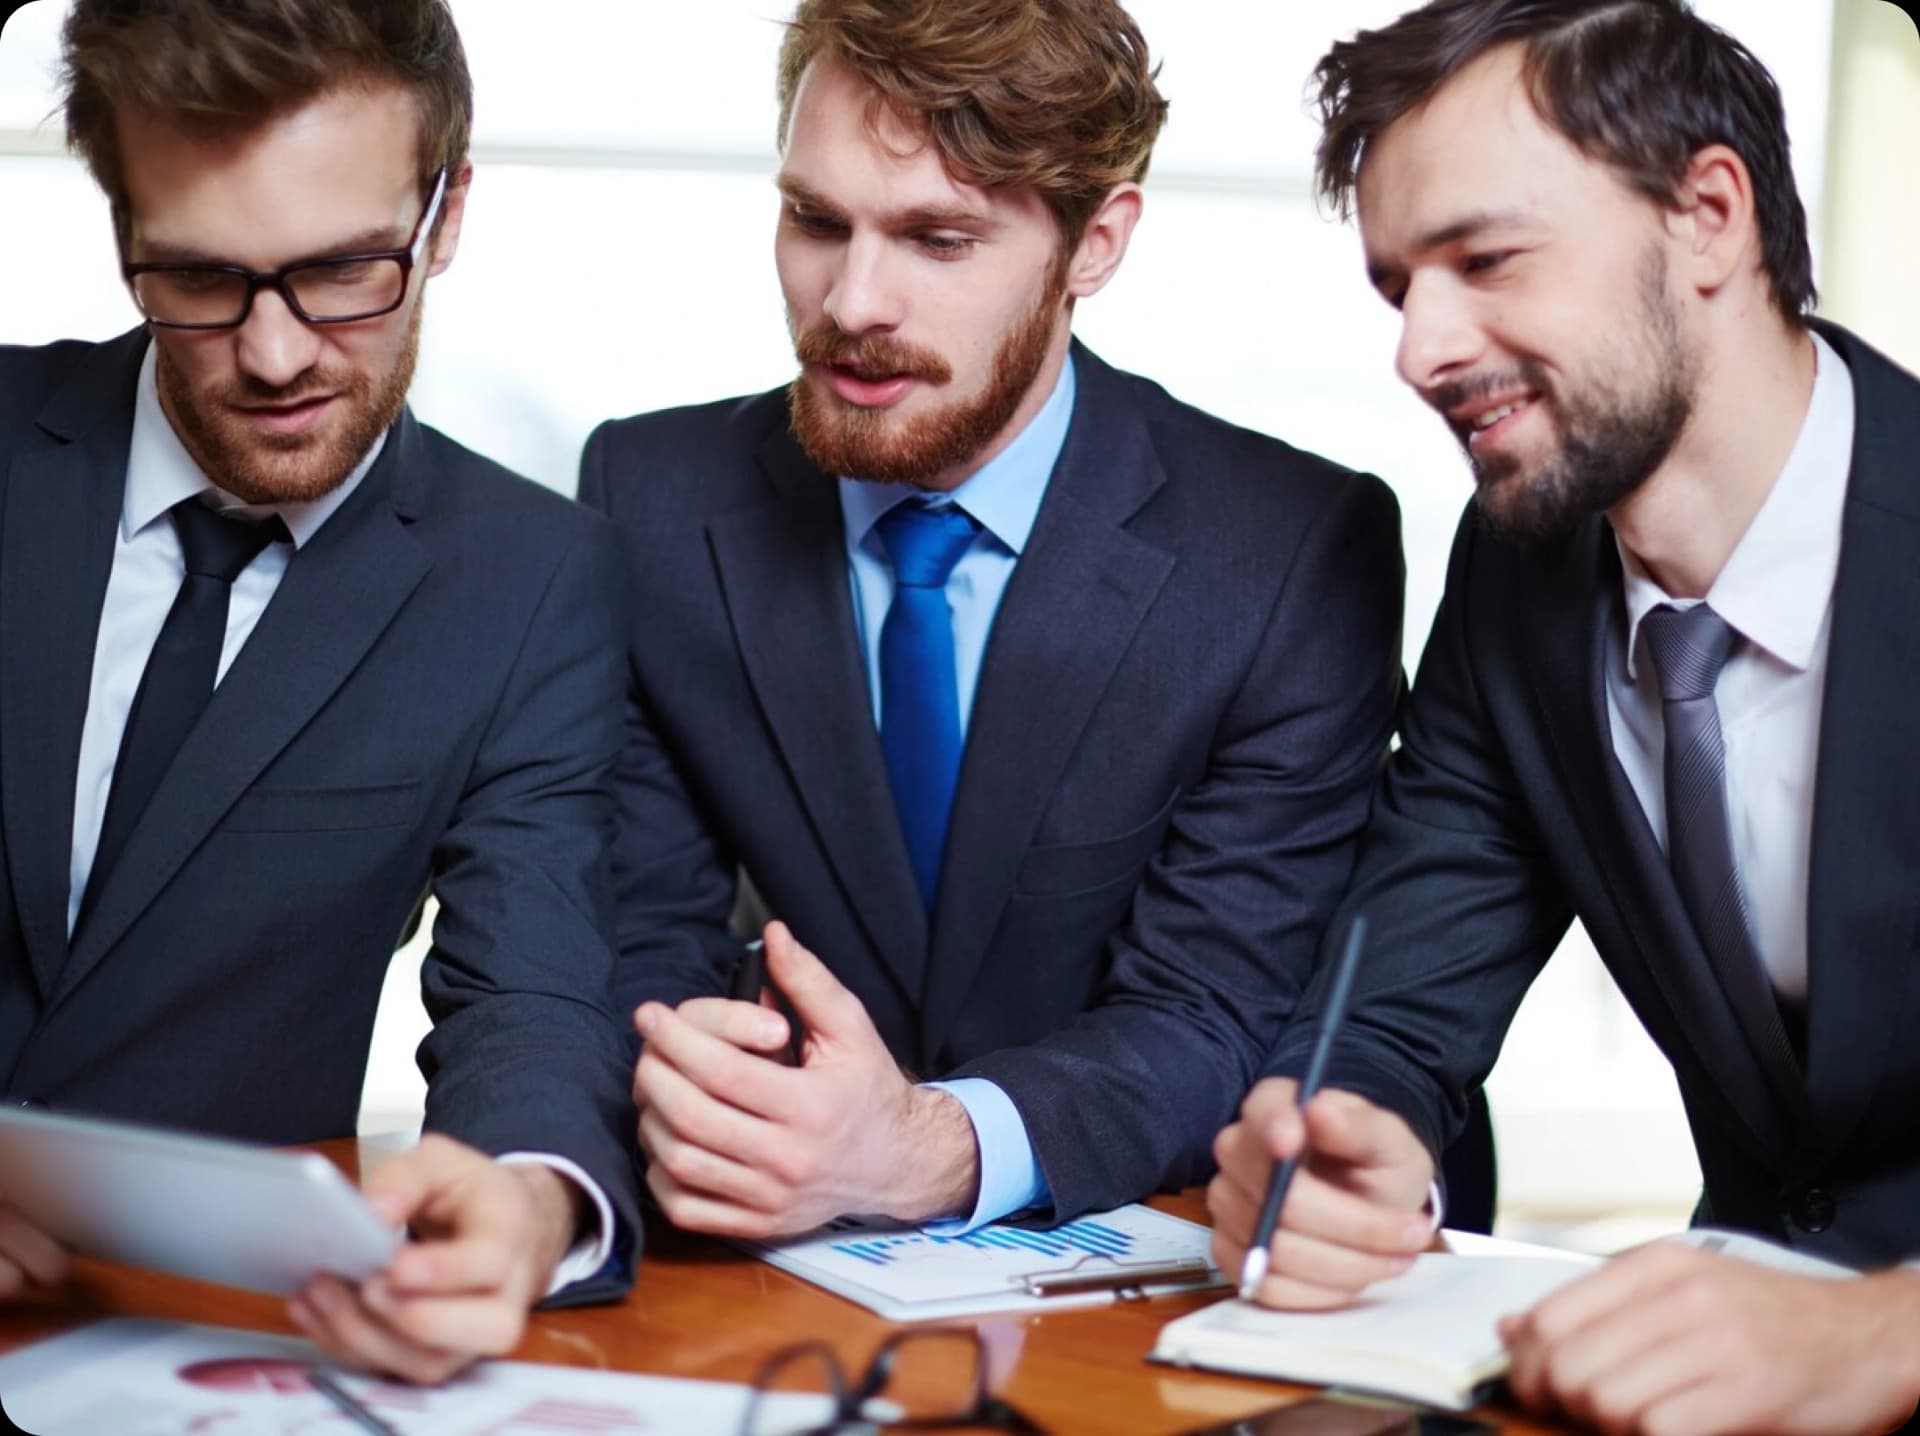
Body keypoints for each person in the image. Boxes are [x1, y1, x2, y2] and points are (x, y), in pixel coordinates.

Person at [579, 0, 1493, 1243]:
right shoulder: (652, 498)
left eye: (938, 238)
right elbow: (636, 934)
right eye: (815, 221)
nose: (852, 301)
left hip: (1143, 1254)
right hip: (760, 1256)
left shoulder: (1286, 551)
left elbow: (1218, 1007)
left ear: (1096, 242)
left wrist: (926, 1146)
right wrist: (719, 1095)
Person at [1209, 2, 1920, 1432]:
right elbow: (1399, 1000)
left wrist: (1878, 1334)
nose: (1419, 351)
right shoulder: (1519, 574)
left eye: (1485, 260)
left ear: (1709, 216)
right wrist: (1344, 1145)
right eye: (1399, 285)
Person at [0, 0, 640, 1384]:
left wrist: (530, 1200)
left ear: (446, 212)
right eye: (199, 278)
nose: (279, 355)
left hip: (193, 1355)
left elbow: (532, 979)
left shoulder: (535, 581)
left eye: (348, 271)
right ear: (121, 239)